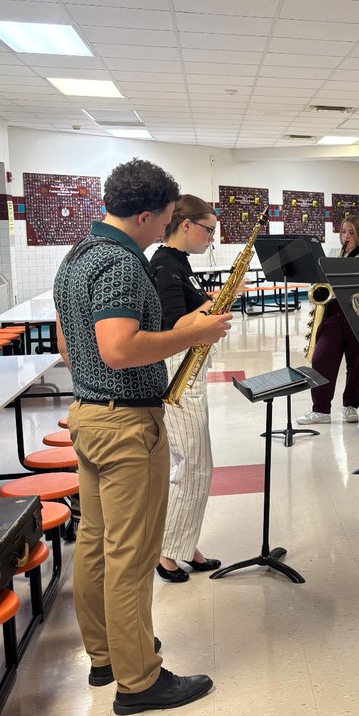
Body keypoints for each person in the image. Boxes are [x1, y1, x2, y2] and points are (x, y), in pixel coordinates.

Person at [54, 158, 231, 716]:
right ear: (148, 214)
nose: (166, 232)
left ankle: (107, 654)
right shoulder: (123, 264)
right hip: (127, 423)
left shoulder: (77, 256)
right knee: (131, 555)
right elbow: (120, 348)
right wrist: (194, 333)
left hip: (88, 413)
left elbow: (71, 346)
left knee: (98, 546)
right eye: (167, 220)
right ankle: (139, 681)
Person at [149, 195, 222, 583]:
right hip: (177, 370)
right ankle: (167, 554)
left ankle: (183, 543)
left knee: (200, 465)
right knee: (192, 463)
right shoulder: (164, 266)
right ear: (187, 225)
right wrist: (215, 306)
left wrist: (211, 302)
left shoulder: (180, 264)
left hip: (190, 367)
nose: (211, 237)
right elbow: (173, 328)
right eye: (208, 229)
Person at [297, 214, 359, 425]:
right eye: (343, 232)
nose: (345, 237)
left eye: (351, 233)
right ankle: (321, 410)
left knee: (357, 363)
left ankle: (351, 406)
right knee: (321, 359)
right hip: (334, 311)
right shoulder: (332, 253)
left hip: (358, 313)